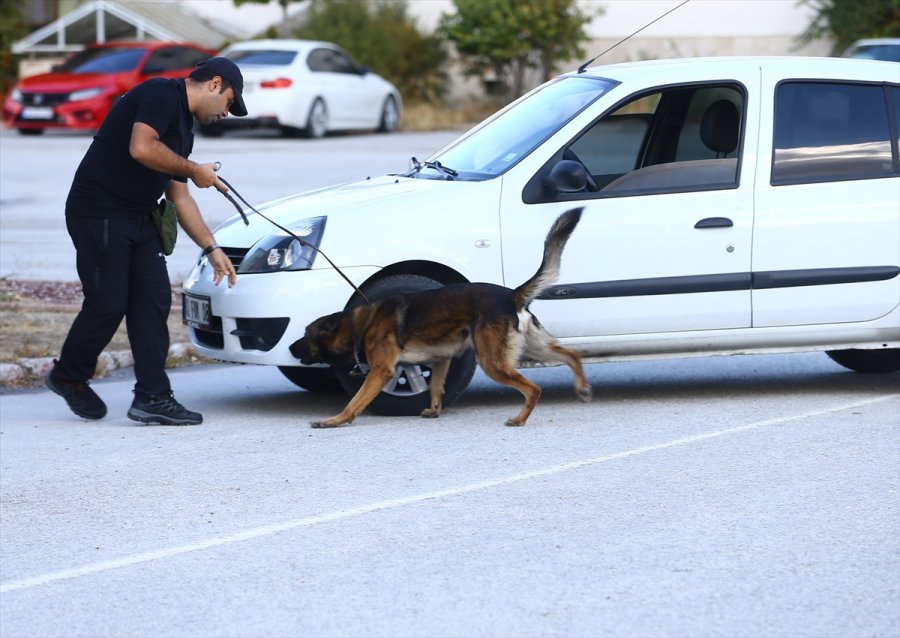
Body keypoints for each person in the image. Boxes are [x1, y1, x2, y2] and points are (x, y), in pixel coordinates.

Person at [45, 57, 248, 426]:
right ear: (215, 84)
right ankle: (68, 376)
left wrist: (211, 248)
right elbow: (141, 147)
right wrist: (194, 170)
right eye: (230, 102)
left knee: (152, 302)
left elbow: (180, 196)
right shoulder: (160, 94)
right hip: (100, 211)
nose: (227, 113)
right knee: (108, 303)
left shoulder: (184, 126)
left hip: (140, 217)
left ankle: (153, 397)